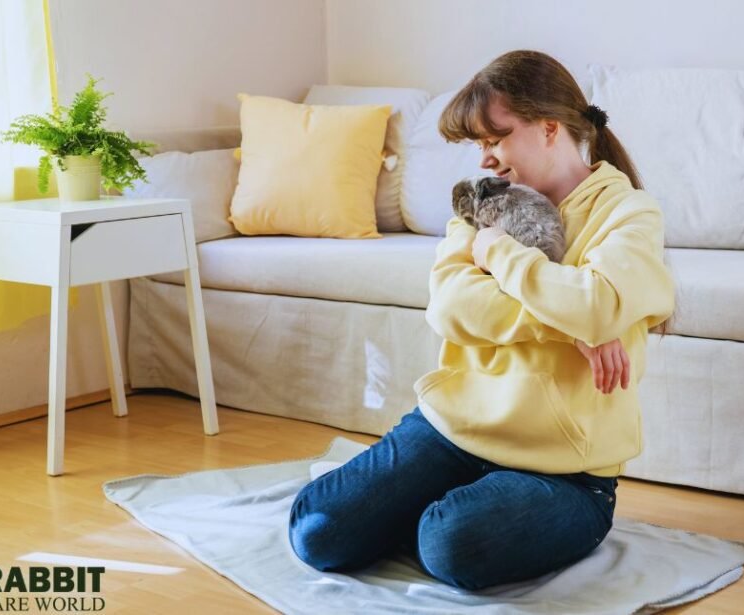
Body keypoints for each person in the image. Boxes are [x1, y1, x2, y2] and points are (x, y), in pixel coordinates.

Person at [289, 49, 675, 591]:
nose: (485, 159)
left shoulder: (628, 212)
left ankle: (442, 516)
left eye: (495, 139)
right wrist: (572, 323)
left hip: (565, 471)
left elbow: (598, 305)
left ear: (548, 127)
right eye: (478, 144)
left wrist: (496, 251)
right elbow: (450, 307)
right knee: (317, 533)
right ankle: (432, 507)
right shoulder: (482, 202)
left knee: (449, 544)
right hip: (454, 429)